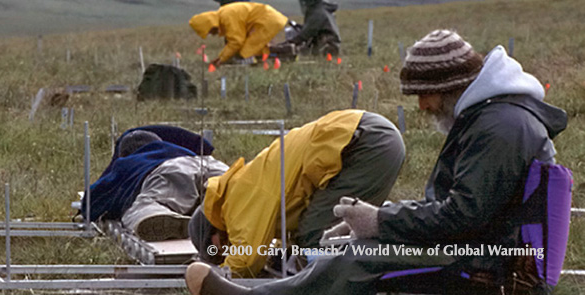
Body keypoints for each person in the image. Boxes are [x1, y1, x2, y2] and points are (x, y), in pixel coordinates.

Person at [185, 29, 568, 295]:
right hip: (486, 247)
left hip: (497, 262)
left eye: (425, 94)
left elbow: (464, 215)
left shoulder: (500, 127)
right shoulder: (492, 120)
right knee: (353, 249)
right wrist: (378, 219)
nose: (422, 106)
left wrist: (381, 223)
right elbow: (461, 210)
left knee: (359, 258)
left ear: (449, 86)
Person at [188, 109, 405, 278]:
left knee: (316, 235)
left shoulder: (237, 201)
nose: (222, 253)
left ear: (212, 234)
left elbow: (246, 260)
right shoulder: (239, 189)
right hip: (368, 138)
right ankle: (391, 254)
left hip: (364, 142)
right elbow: (282, 231)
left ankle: (346, 282)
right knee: (336, 230)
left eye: (216, 251)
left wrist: (213, 279)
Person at [84, 126, 228, 242]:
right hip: (210, 164)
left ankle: (159, 216)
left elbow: (98, 195)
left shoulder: (129, 162)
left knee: (147, 204)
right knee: (228, 190)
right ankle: (234, 209)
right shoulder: (181, 150)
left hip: (171, 171)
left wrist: (87, 207)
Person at [189, 2, 289, 66]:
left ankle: (287, 54)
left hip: (268, 21)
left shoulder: (227, 17)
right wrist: (221, 58)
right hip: (269, 19)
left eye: (210, 31)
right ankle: (284, 53)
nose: (213, 34)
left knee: (246, 52)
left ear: (211, 24)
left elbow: (236, 41)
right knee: (254, 49)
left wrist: (222, 59)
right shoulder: (224, 14)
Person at [270, 0, 341, 58]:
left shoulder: (318, 14)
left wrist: (282, 45)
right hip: (329, 45)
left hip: (327, 48)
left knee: (294, 51)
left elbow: (304, 35)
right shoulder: (320, 10)